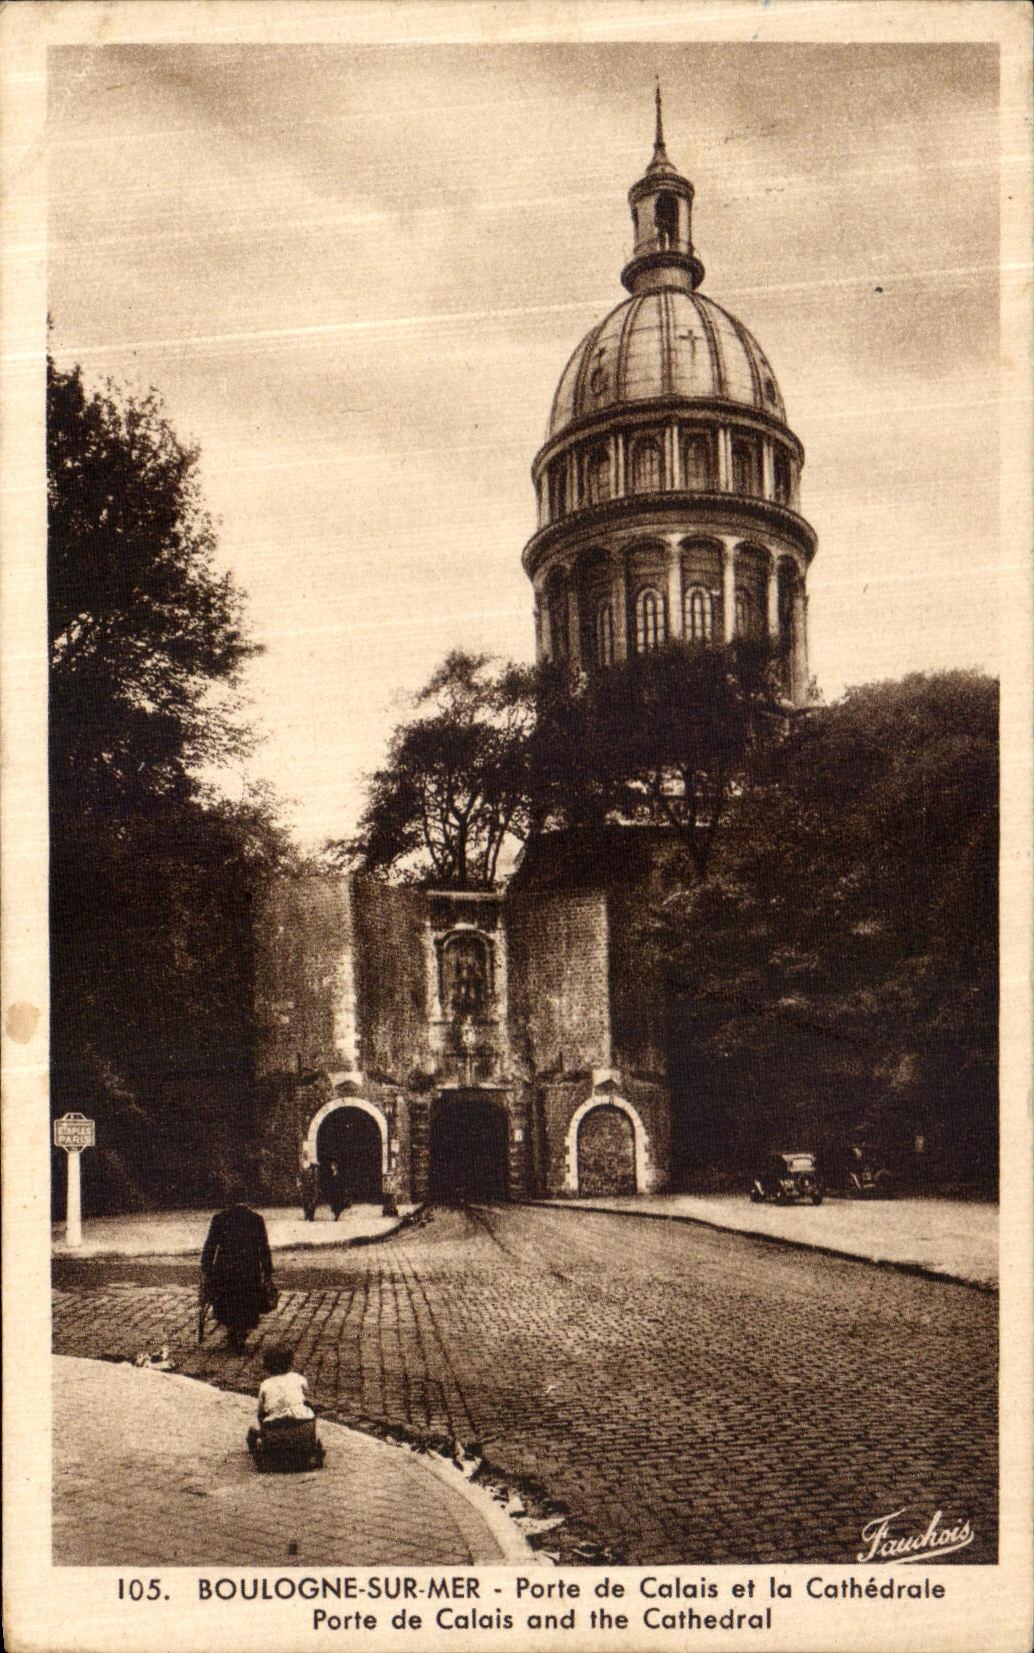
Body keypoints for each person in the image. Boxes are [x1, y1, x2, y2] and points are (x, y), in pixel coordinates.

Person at [200, 1188, 273, 1355]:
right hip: (249, 1270)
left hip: (225, 1270)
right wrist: (267, 1270)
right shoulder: (256, 1219)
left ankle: (232, 1333)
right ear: (246, 1201)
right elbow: (264, 1248)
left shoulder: (220, 1219)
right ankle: (241, 1333)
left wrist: (206, 1268)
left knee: (228, 1302)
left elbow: (210, 1246)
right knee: (247, 1303)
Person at [246, 1343, 313, 1453]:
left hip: (275, 1426)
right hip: (302, 1422)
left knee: (257, 1427)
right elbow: (307, 1399)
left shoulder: (265, 1385)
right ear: (292, 1363)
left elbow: (261, 1412)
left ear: (267, 1367)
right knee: (307, 1407)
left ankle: (266, 1445)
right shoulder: (299, 1379)